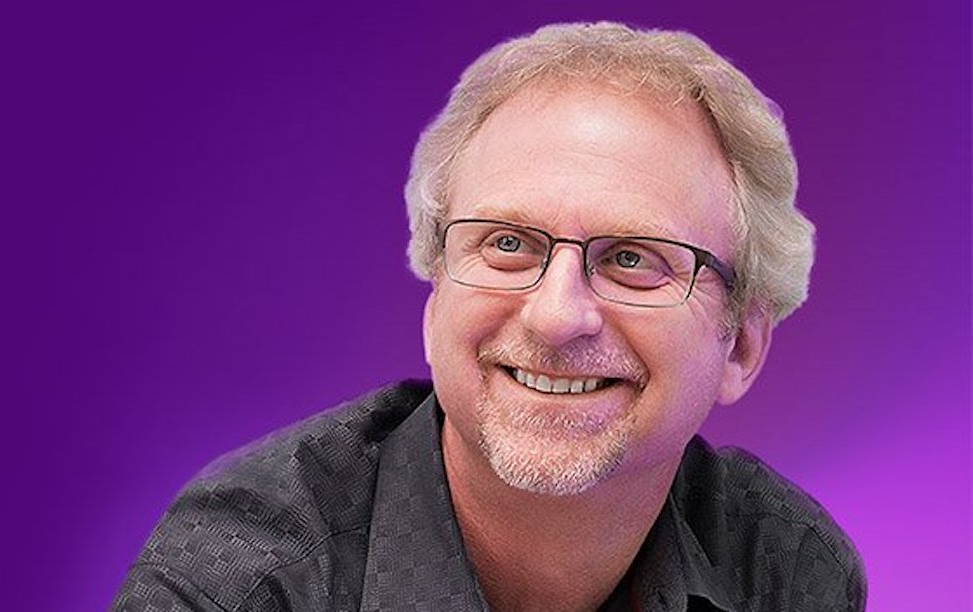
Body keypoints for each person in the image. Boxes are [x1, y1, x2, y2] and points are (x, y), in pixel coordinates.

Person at [114, 22, 866, 611]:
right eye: (508, 244)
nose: (556, 316)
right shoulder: (244, 581)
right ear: (436, 292)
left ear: (740, 347)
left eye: (633, 258)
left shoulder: (784, 568)